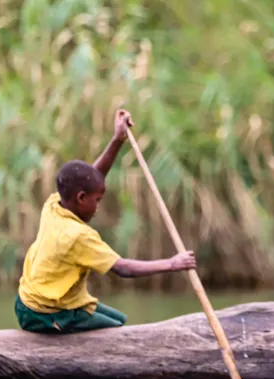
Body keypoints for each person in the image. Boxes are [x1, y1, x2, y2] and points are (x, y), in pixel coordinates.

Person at [15, 109, 196, 333]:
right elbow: (123, 269)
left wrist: (117, 140)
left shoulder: (53, 206)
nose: (98, 207)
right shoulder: (78, 236)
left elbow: (94, 176)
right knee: (115, 333)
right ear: (80, 198)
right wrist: (172, 264)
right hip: (43, 313)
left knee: (119, 320)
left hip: (26, 302)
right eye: (97, 200)